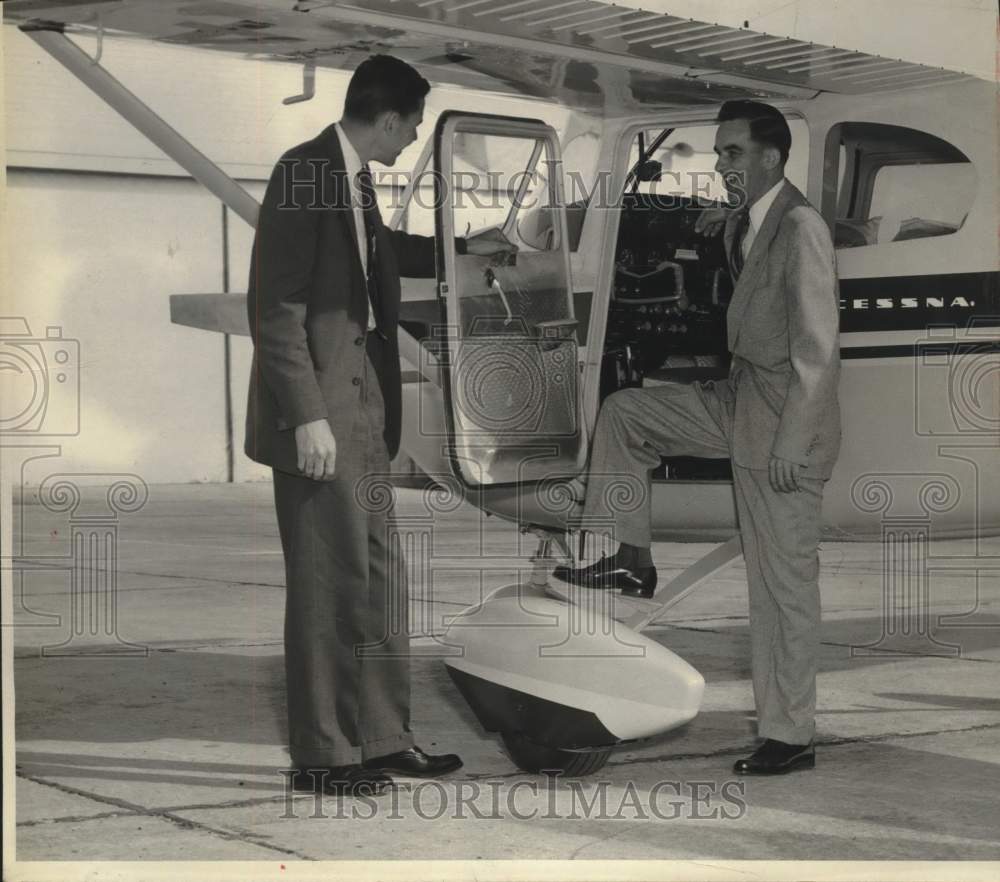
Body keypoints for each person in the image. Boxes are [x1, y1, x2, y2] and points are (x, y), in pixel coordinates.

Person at [245, 55, 515, 796]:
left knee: (378, 579)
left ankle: (384, 737)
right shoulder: (303, 173)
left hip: (363, 407)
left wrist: (466, 247)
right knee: (329, 585)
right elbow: (274, 309)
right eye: (415, 125)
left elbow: (381, 261)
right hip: (321, 413)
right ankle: (325, 757)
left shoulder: (355, 177)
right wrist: (306, 416)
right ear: (391, 118)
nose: (413, 140)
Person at [555, 100, 841, 775]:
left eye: (732, 153)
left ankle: (788, 735)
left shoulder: (801, 227)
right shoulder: (752, 219)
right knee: (626, 413)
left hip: (780, 425)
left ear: (770, 157)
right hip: (738, 398)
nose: (720, 164)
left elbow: (818, 352)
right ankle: (630, 555)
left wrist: (792, 447)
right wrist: (724, 223)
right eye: (719, 154)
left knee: (781, 589)